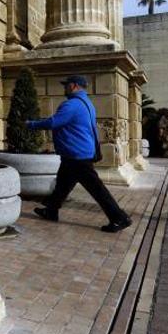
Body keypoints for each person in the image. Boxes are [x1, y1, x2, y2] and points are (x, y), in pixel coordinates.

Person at [25, 75, 132, 233]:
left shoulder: (72, 104)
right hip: (77, 153)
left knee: (97, 189)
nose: (64, 88)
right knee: (63, 184)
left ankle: (119, 217)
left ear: (74, 86)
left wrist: (30, 124)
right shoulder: (87, 103)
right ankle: (51, 210)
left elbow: (53, 122)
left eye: (66, 85)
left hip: (77, 155)